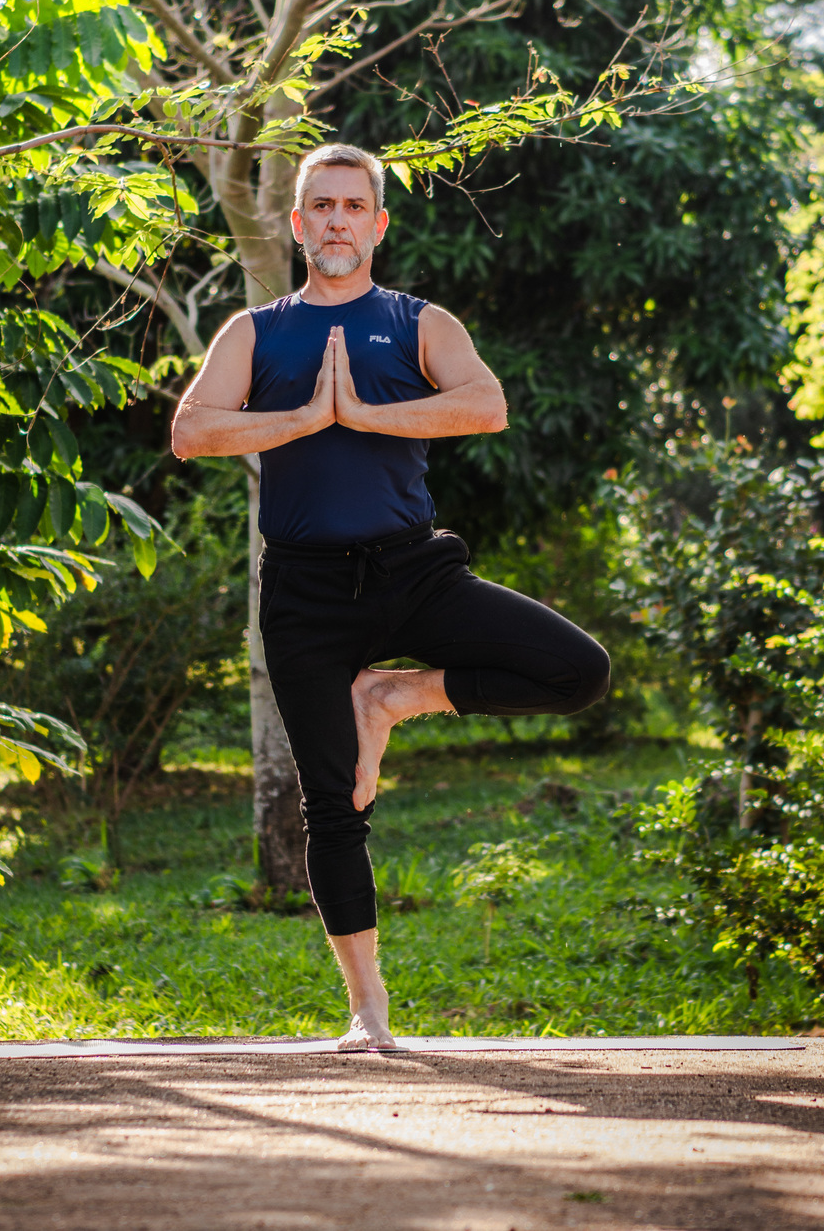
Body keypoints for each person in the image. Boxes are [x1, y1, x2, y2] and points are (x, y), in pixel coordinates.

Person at [171, 143, 610, 1050]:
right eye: (320, 206)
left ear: (377, 224)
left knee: (579, 671)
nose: (336, 221)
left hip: (414, 573)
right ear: (297, 224)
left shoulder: (418, 322)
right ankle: (367, 1009)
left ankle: (397, 696)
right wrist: (304, 419)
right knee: (334, 804)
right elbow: (191, 431)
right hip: (305, 592)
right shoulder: (255, 332)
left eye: (351, 207)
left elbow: (485, 406)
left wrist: (364, 413)